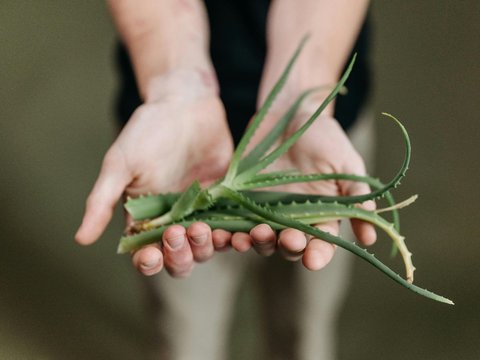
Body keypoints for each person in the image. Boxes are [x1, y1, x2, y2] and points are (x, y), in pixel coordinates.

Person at [75, 1, 375, 359]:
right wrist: (175, 84)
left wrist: (304, 94)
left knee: (303, 329)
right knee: (182, 334)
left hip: (312, 142)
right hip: (171, 145)